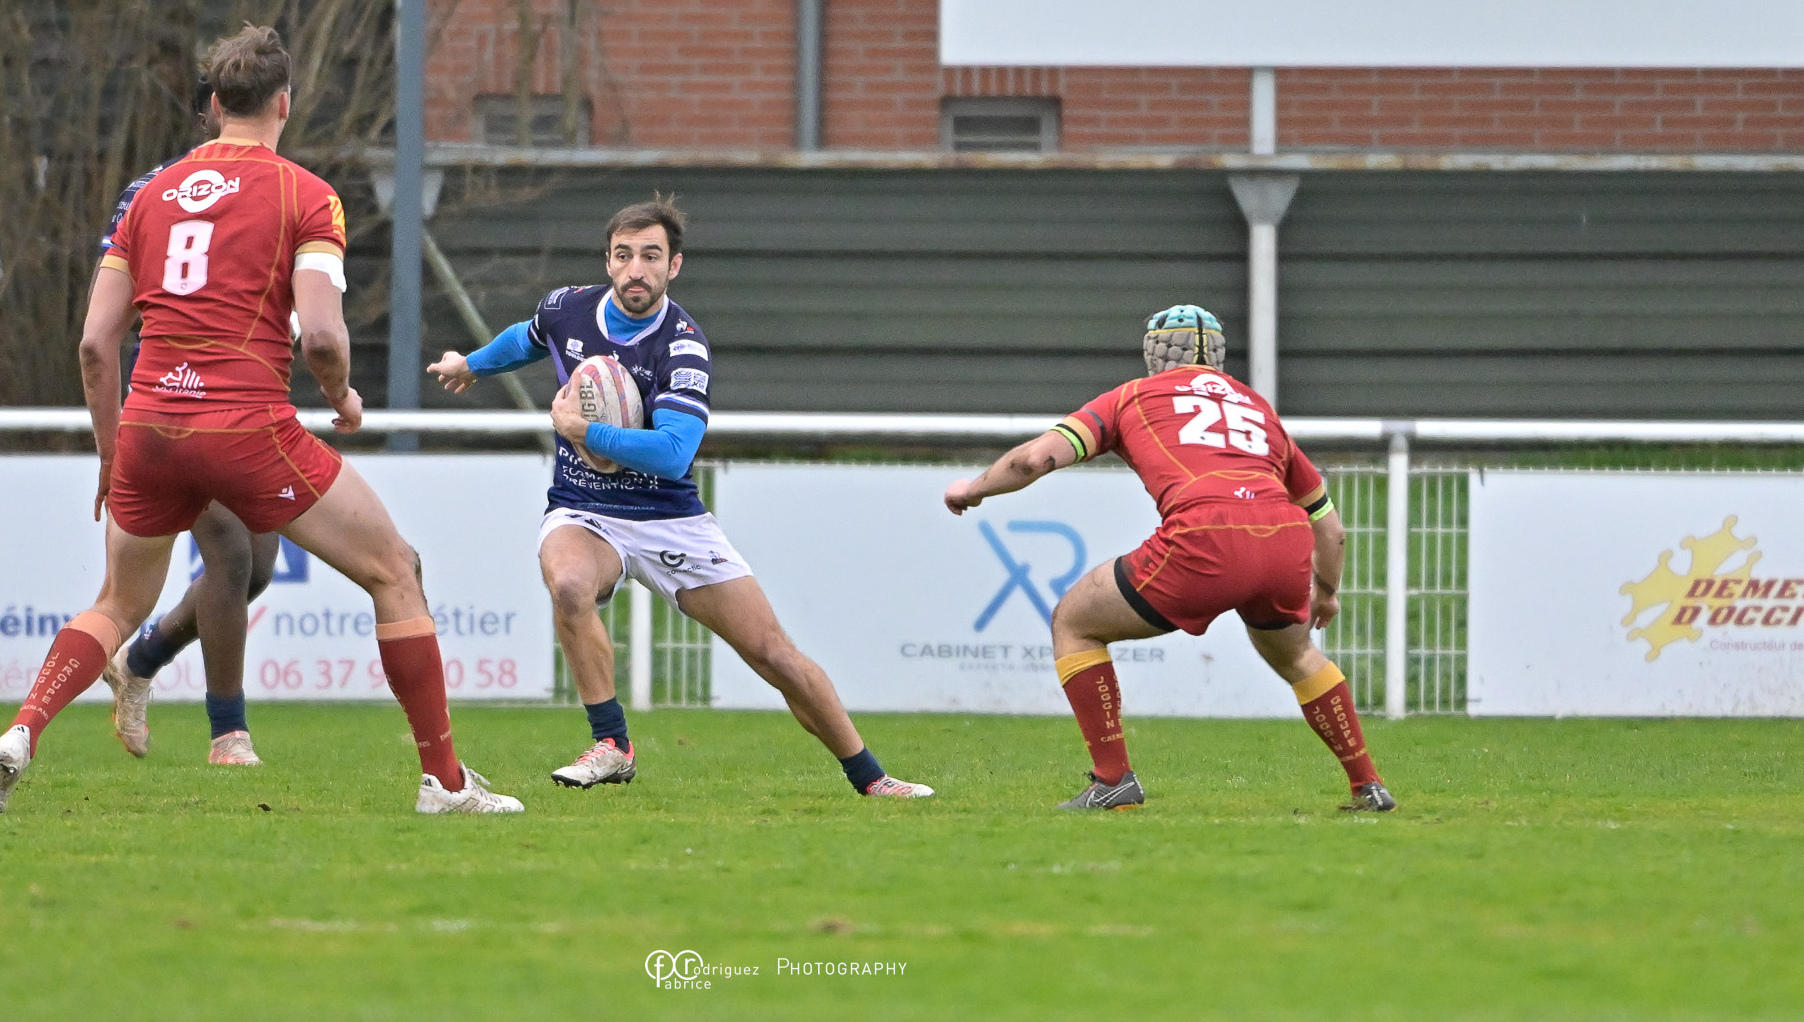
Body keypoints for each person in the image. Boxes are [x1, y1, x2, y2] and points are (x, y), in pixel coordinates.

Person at [0, 24, 521, 816]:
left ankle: (22, 731)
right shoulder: (305, 194)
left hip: (149, 425)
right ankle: (446, 784)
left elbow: (93, 344)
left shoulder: (148, 196)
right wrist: (342, 397)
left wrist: (111, 452)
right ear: (284, 103)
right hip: (242, 426)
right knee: (395, 569)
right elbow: (321, 336)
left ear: (216, 103)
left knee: (117, 603)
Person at [428, 195, 931, 799]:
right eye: (623, 255)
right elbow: (528, 337)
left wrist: (584, 432)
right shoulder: (568, 308)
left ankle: (872, 779)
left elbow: (673, 453)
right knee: (569, 585)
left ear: (674, 266)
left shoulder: (683, 345)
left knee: (773, 655)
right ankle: (612, 745)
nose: (635, 269)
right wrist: (474, 364)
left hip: (668, 517)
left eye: (650, 256)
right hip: (585, 509)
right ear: (608, 262)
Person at [944, 304, 1396, 814]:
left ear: (1154, 353)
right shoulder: (1257, 408)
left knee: (1075, 622)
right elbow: (1331, 529)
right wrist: (1327, 593)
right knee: (1296, 656)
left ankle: (1112, 780)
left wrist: (973, 488)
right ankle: (1368, 785)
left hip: (1205, 533)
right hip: (1282, 536)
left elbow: (1033, 459)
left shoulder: (1132, 396)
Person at [95, 75, 278, 767]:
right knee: (229, 553)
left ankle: (141, 659)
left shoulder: (278, 188)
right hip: (175, 399)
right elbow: (106, 317)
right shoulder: (153, 190)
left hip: (249, 398)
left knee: (257, 567)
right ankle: (229, 733)